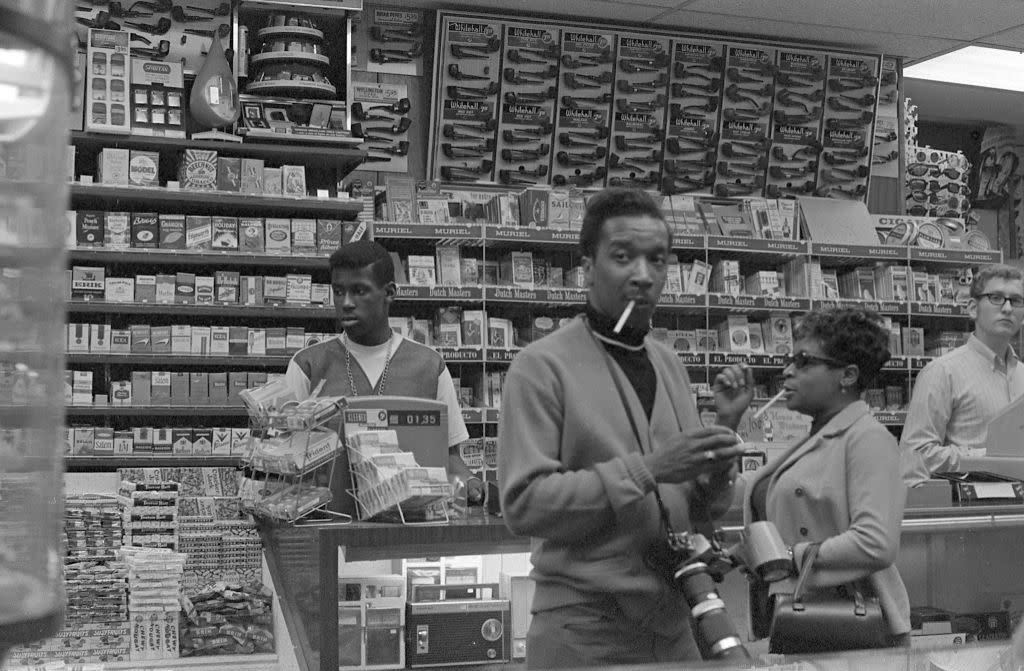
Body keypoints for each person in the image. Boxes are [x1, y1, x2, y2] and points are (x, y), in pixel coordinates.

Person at [497, 187, 753, 668]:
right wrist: (649, 469)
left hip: (678, 623)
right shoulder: (540, 367)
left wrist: (720, 451)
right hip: (585, 631)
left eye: (656, 260)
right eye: (622, 257)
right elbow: (524, 505)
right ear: (587, 268)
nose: (642, 275)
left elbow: (698, 508)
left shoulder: (669, 364)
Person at [742, 307, 911, 650]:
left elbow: (875, 542)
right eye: (790, 359)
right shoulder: (819, 436)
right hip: (804, 618)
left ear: (847, 376)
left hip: (848, 626)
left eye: (803, 361)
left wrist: (791, 556)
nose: (787, 371)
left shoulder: (868, 439)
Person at [285, 240, 483, 503]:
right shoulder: (307, 365)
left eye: (359, 291)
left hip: (407, 533)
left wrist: (468, 484)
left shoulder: (429, 366)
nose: (346, 302)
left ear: (389, 292)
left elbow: (449, 458)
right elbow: (285, 461)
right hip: (330, 527)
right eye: (338, 291)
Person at [901, 264, 1024, 482]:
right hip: (971, 509)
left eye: (1016, 301)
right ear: (972, 308)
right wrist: (983, 458)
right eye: (996, 298)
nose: (1007, 308)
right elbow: (914, 456)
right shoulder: (942, 372)